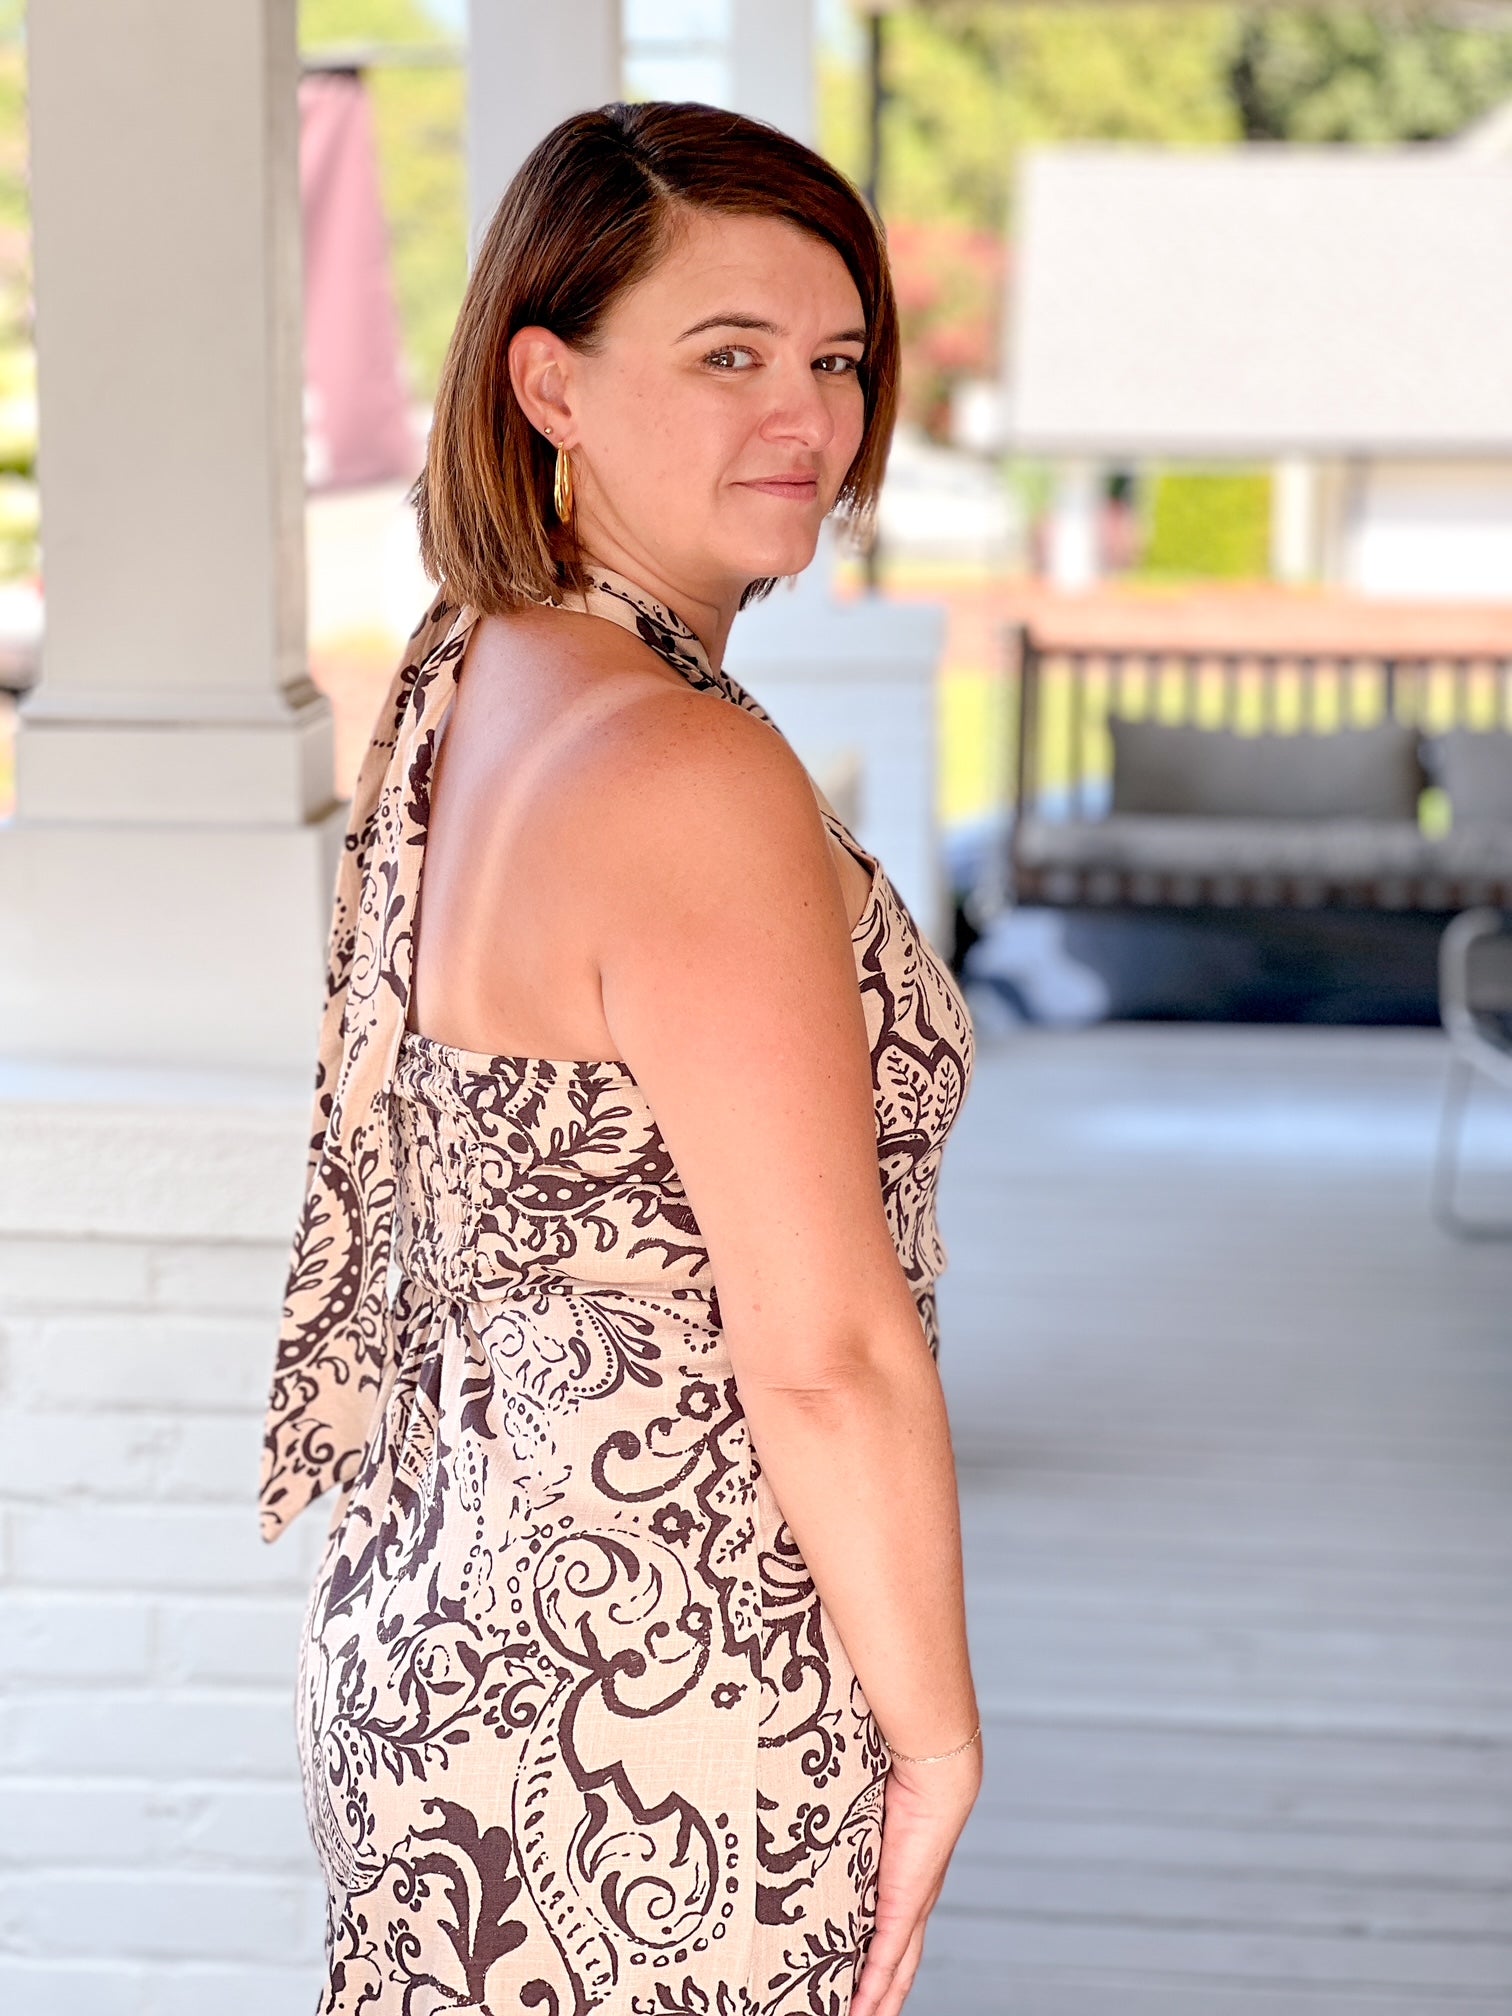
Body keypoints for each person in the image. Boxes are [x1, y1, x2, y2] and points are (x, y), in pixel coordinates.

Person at [260, 100, 978, 2016]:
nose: (810, 419)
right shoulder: (683, 767)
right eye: (729, 355)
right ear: (549, 383)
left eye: (838, 359)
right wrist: (936, 1738)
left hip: (437, 1643)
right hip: (660, 1700)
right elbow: (824, 1355)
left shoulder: (474, 675)